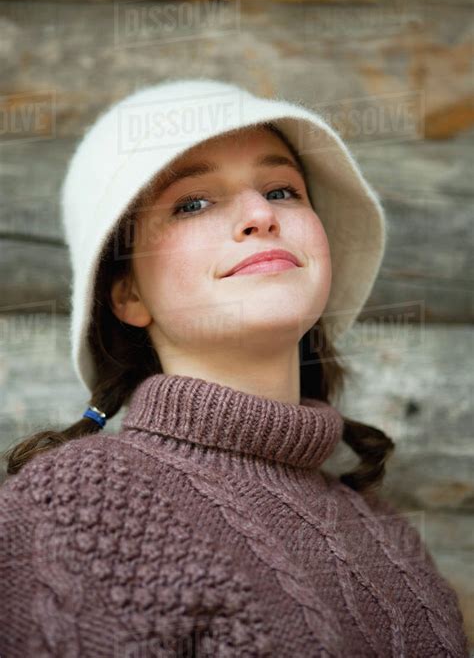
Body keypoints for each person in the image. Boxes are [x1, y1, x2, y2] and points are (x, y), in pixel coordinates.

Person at [0, 78, 469, 656]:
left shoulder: (391, 536)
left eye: (282, 191)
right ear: (127, 295)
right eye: (192, 202)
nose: (259, 215)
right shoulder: (79, 504)